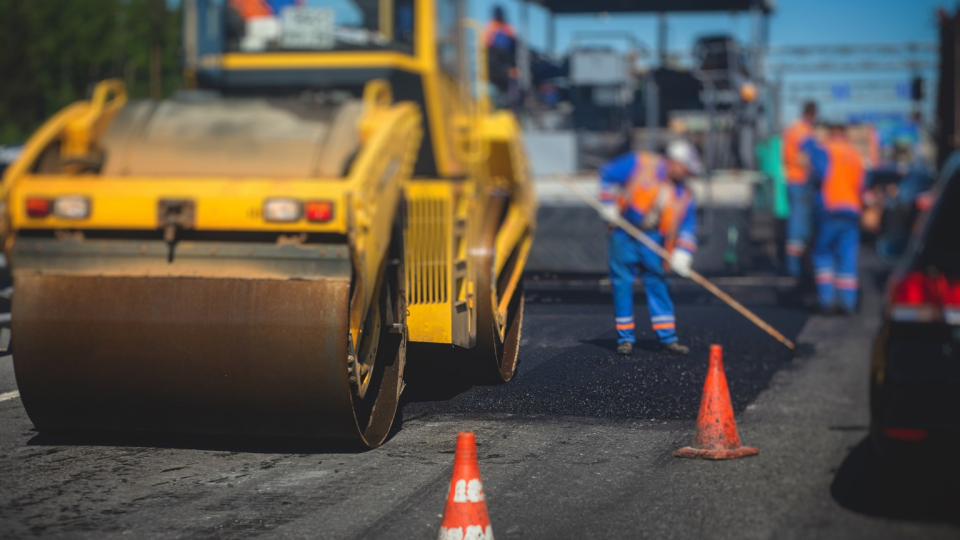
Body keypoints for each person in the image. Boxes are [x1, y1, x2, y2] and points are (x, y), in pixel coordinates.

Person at [598, 140, 703, 356]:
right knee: (622, 283)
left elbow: (687, 225)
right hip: (623, 233)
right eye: (686, 169)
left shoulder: (684, 195)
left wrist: (683, 253)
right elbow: (607, 174)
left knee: (657, 280)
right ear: (675, 162)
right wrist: (607, 203)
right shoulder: (640, 163)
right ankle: (625, 339)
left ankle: (667, 338)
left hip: (653, 238)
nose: (687, 174)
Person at [802, 123, 866, 315]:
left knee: (823, 253)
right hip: (852, 209)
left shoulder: (826, 149)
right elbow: (862, 184)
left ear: (831, 134)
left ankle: (826, 301)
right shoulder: (854, 154)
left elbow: (820, 174)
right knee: (847, 256)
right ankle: (848, 303)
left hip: (830, 208)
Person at [782, 101, 818, 278]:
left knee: (796, 223)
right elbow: (812, 156)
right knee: (800, 226)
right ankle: (796, 268)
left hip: (792, 179)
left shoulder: (793, 128)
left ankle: (793, 266)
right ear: (812, 115)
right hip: (801, 180)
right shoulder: (804, 131)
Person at [483, 6, 518, 109]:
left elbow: (514, 47)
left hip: (503, 66)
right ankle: (499, 106)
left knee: (507, 91)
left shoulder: (506, 28)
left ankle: (505, 106)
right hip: (496, 66)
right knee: (496, 91)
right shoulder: (491, 27)